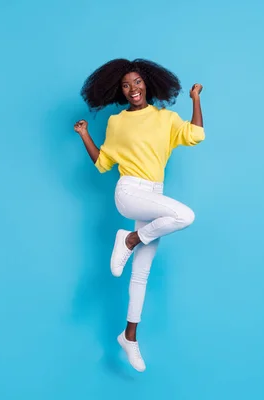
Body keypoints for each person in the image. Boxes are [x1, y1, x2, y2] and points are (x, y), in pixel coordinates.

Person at [73, 58, 204, 372]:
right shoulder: (117, 123)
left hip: (154, 196)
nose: (132, 89)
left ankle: (129, 336)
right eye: (125, 85)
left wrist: (196, 100)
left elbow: (196, 135)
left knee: (140, 275)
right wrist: (84, 135)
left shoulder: (165, 118)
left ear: (148, 83)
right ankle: (129, 239)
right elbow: (104, 163)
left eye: (137, 82)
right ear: (120, 91)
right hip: (130, 193)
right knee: (185, 216)